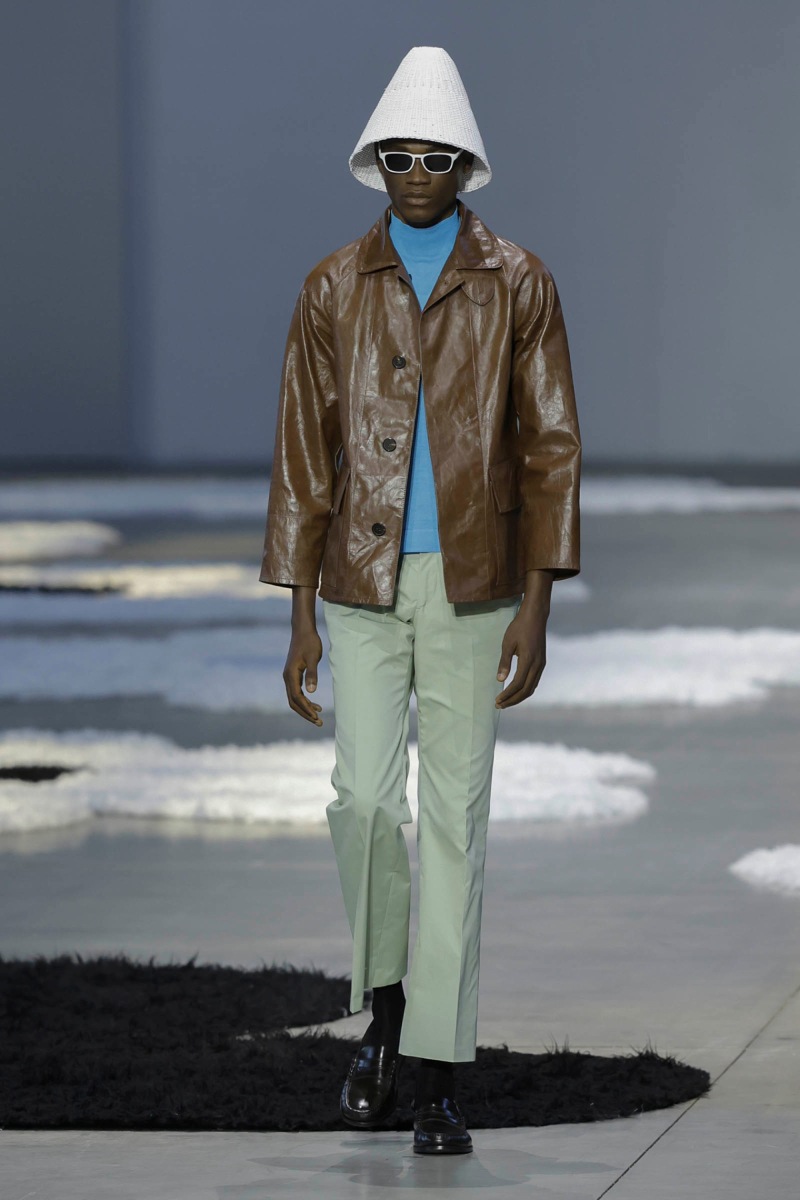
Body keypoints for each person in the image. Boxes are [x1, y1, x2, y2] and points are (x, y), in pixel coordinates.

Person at [259, 45, 581, 1155]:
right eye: (396, 156)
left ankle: (437, 1075)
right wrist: (297, 610)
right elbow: (303, 452)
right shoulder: (329, 286)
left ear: (466, 164)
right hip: (357, 582)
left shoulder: (519, 282)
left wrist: (538, 606)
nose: (414, 173)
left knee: (454, 823)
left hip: (474, 588)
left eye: (433, 156)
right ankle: (389, 1011)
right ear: (373, 163)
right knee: (359, 801)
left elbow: (549, 449)